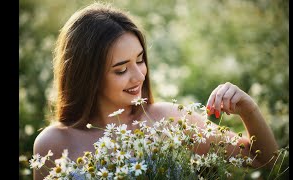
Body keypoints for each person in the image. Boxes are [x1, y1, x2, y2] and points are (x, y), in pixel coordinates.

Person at [33, 2, 278, 180]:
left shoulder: (169, 122)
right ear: (87, 77)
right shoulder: (51, 144)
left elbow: (263, 161)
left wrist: (249, 108)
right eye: (121, 69)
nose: (139, 75)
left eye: (140, 60)